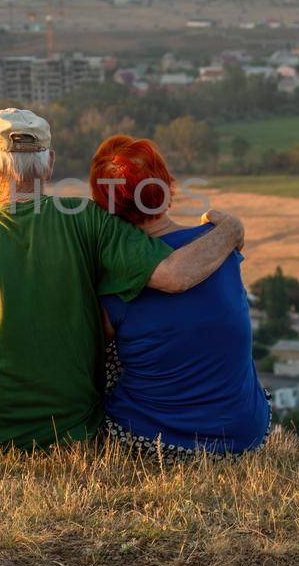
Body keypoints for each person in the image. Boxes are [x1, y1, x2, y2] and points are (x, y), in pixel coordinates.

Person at [0, 108, 244, 452]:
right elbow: (175, 275)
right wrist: (230, 230)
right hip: (72, 433)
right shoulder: (89, 221)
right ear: (49, 164)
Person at [89, 134, 269, 456]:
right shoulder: (219, 249)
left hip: (157, 442)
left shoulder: (117, 277)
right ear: (167, 186)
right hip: (245, 437)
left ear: (106, 207)